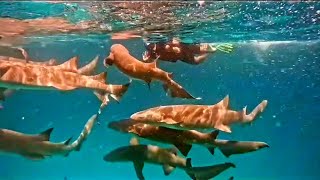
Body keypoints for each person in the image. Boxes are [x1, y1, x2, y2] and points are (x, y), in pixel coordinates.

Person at [142, 38, 233, 65]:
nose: (152, 48)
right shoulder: (152, 53)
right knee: (195, 61)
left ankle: (210, 47)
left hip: (184, 49)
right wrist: (147, 61)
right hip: (181, 56)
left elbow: (174, 43)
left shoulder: (165, 45)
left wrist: (174, 47)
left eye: (153, 45)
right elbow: (153, 66)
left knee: (198, 50)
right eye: (149, 47)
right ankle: (210, 51)